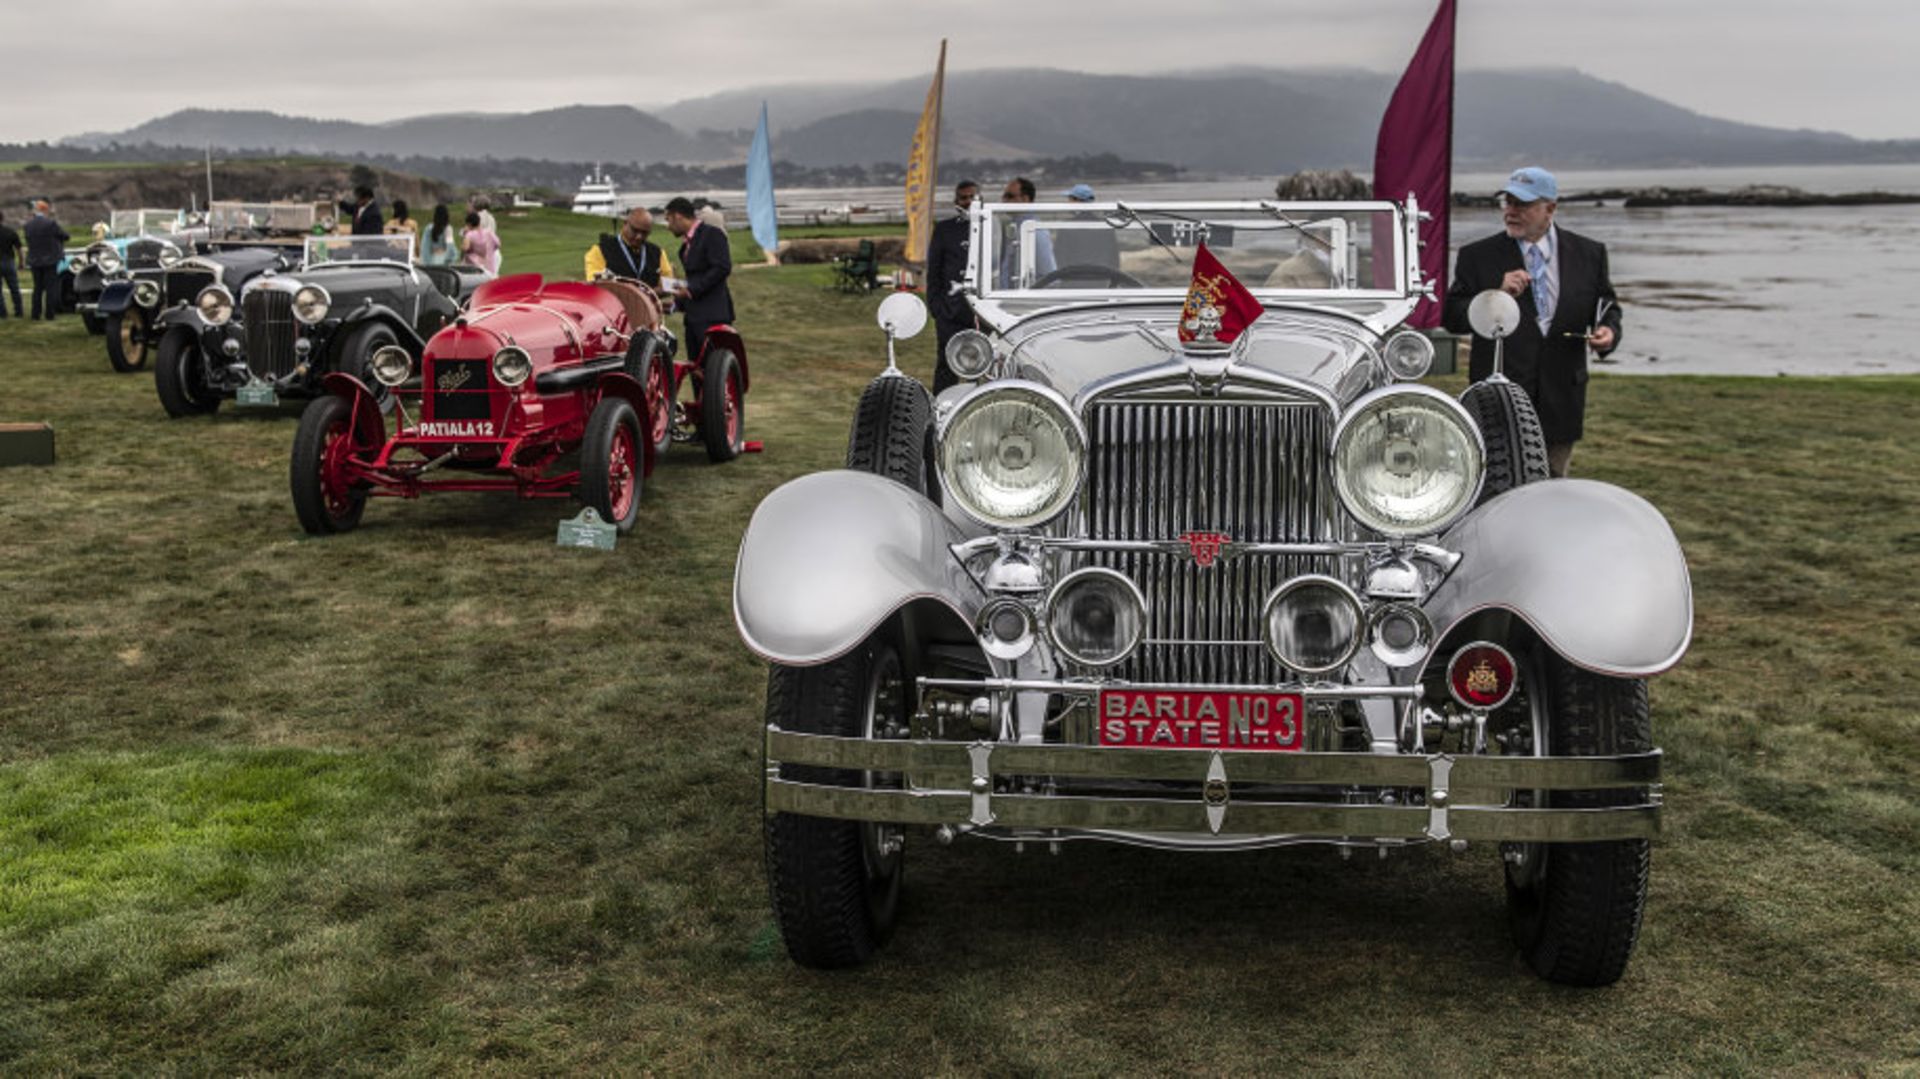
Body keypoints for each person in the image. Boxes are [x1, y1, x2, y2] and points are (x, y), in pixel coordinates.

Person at [1444, 166, 1622, 478]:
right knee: (1494, 488)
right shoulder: (1477, 256)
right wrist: (1494, 296)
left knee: (1552, 491)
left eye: (1521, 204)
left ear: (1550, 208)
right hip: (1499, 399)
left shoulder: (1589, 253)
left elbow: (1606, 305)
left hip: (1562, 397)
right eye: (1507, 202)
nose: (1510, 212)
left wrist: (1609, 332)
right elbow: (1452, 317)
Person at [664, 195, 733, 363]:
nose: (668, 226)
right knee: (697, 374)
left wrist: (690, 290)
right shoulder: (685, 246)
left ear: (678, 216)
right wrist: (675, 305)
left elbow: (722, 267)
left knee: (715, 374)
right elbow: (695, 279)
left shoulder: (712, 234)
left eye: (668, 220)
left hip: (713, 318)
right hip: (693, 320)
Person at [924, 180, 978, 391]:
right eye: (963, 198)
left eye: (972, 197)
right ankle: (940, 413)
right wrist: (937, 308)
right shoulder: (944, 230)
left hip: (981, 315)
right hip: (951, 312)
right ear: (956, 201)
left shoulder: (993, 228)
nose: (968, 202)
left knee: (982, 367)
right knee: (946, 366)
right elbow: (934, 271)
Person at [584, 207, 675, 289]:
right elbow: (596, 285)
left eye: (644, 233)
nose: (639, 236)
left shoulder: (657, 253)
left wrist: (645, 296)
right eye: (635, 230)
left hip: (649, 306)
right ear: (625, 224)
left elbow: (669, 286)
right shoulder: (600, 250)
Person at [1049, 182, 1120, 284]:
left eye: (1071, 199)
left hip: (1072, 283)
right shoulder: (1105, 227)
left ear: (1078, 201)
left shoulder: (1067, 227)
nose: (1068, 203)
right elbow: (1114, 260)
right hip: (1101, 283)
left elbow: (1059, 258)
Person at [995, 176, 1055, 288]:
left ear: (1025, 199)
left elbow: (1048, 274)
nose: (1004, 201)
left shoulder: (1034, 231)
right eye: (1004, 196)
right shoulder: (1017, 227)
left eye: (1009, 196)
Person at [24, 201, 69, 321]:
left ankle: (35, 314)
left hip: (34, 260)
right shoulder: (51, 223)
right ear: (45, 210)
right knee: (50, 288)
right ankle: (49, 314)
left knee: (37, 288)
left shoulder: (28, 225)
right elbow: (65, 236)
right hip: (50, 260)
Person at [460, 210, 500, 275]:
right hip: (489, 267)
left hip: (475, 269)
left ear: (469, 224)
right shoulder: (489, 232)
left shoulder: (469, 235)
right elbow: (498, 244)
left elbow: (465, 248)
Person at [0, 210, 23, 319]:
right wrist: (21, 263)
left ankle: (2, 313)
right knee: (14, 288)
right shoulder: (10, 232)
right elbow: (19, 249)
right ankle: (19, 311)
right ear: (2, 218)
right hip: (8, 261)